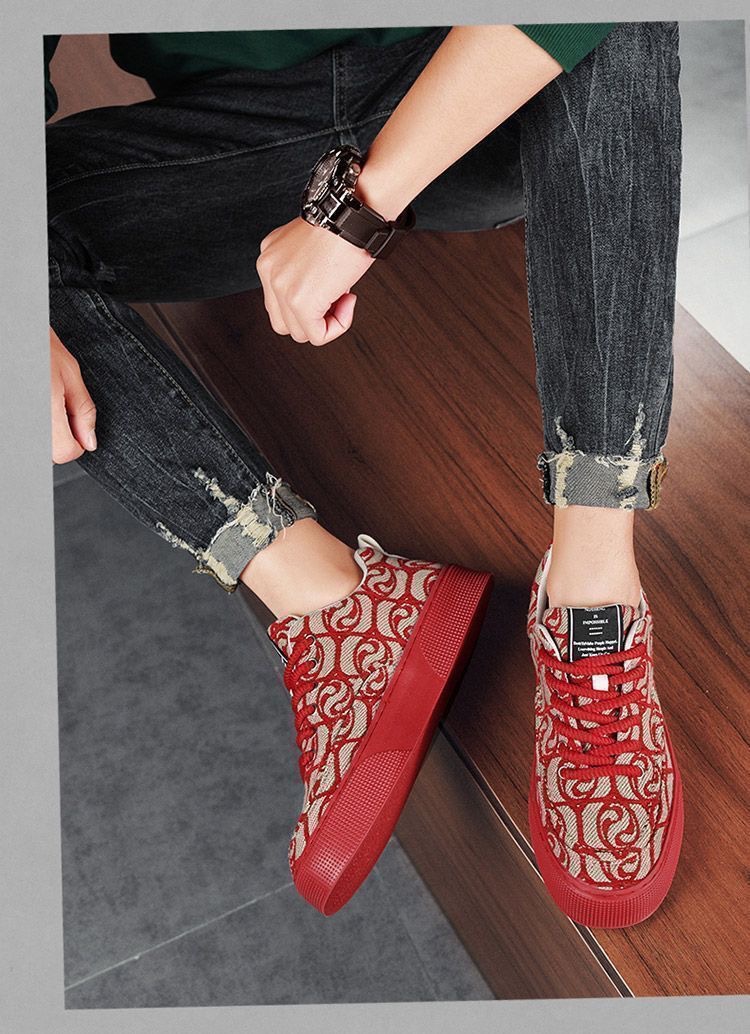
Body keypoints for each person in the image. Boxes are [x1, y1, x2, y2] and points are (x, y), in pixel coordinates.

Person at [45, 21, 684, 927]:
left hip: (463, 87)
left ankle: (592, 602)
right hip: (237, 135)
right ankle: (329, 599)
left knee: (622, 18)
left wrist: (356, 209)